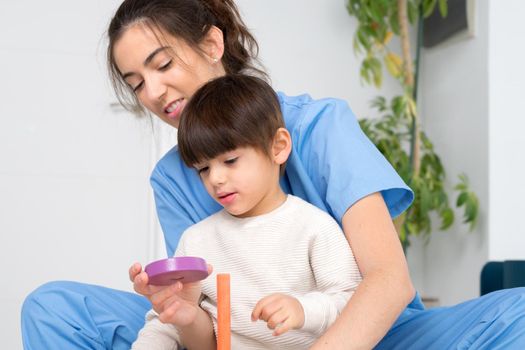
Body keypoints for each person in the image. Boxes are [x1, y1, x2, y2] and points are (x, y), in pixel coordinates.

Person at [21, 0, 525, 349]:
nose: (153, 92)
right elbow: (206, 317)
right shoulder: (172, 179)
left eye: (163, 64)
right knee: (54, 308)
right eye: (136, 83)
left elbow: (388, 282)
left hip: (371, 333)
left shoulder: (318, 125)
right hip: (237, 337)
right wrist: (176, 312)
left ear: (212, 44)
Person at [132, 74, 363, 349]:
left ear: (278, 148)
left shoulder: (314, 227)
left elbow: (350, 300)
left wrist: (303, 310)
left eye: (230, 161)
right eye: (204, 169)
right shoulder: (195, 241)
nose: (215, 179)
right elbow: (166, 319)